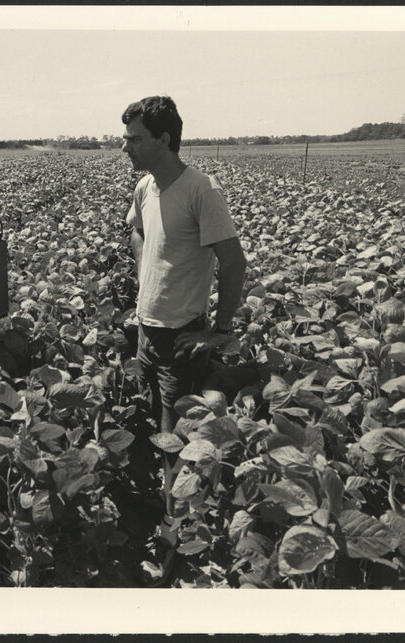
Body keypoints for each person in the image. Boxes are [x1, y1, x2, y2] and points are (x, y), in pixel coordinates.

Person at [121, 95, 247, 475]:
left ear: (162, 139)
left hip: (182, 339)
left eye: (135, 138)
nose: (125, 146)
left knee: (176, 438)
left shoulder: (201, 190)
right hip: (147, 329)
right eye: (126, 137)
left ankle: (177, 517)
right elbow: (137, 231)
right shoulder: (145, 187)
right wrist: (147, 272)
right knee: (153, 417)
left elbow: (234, 262)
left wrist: (219, 331)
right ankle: (166, 499)